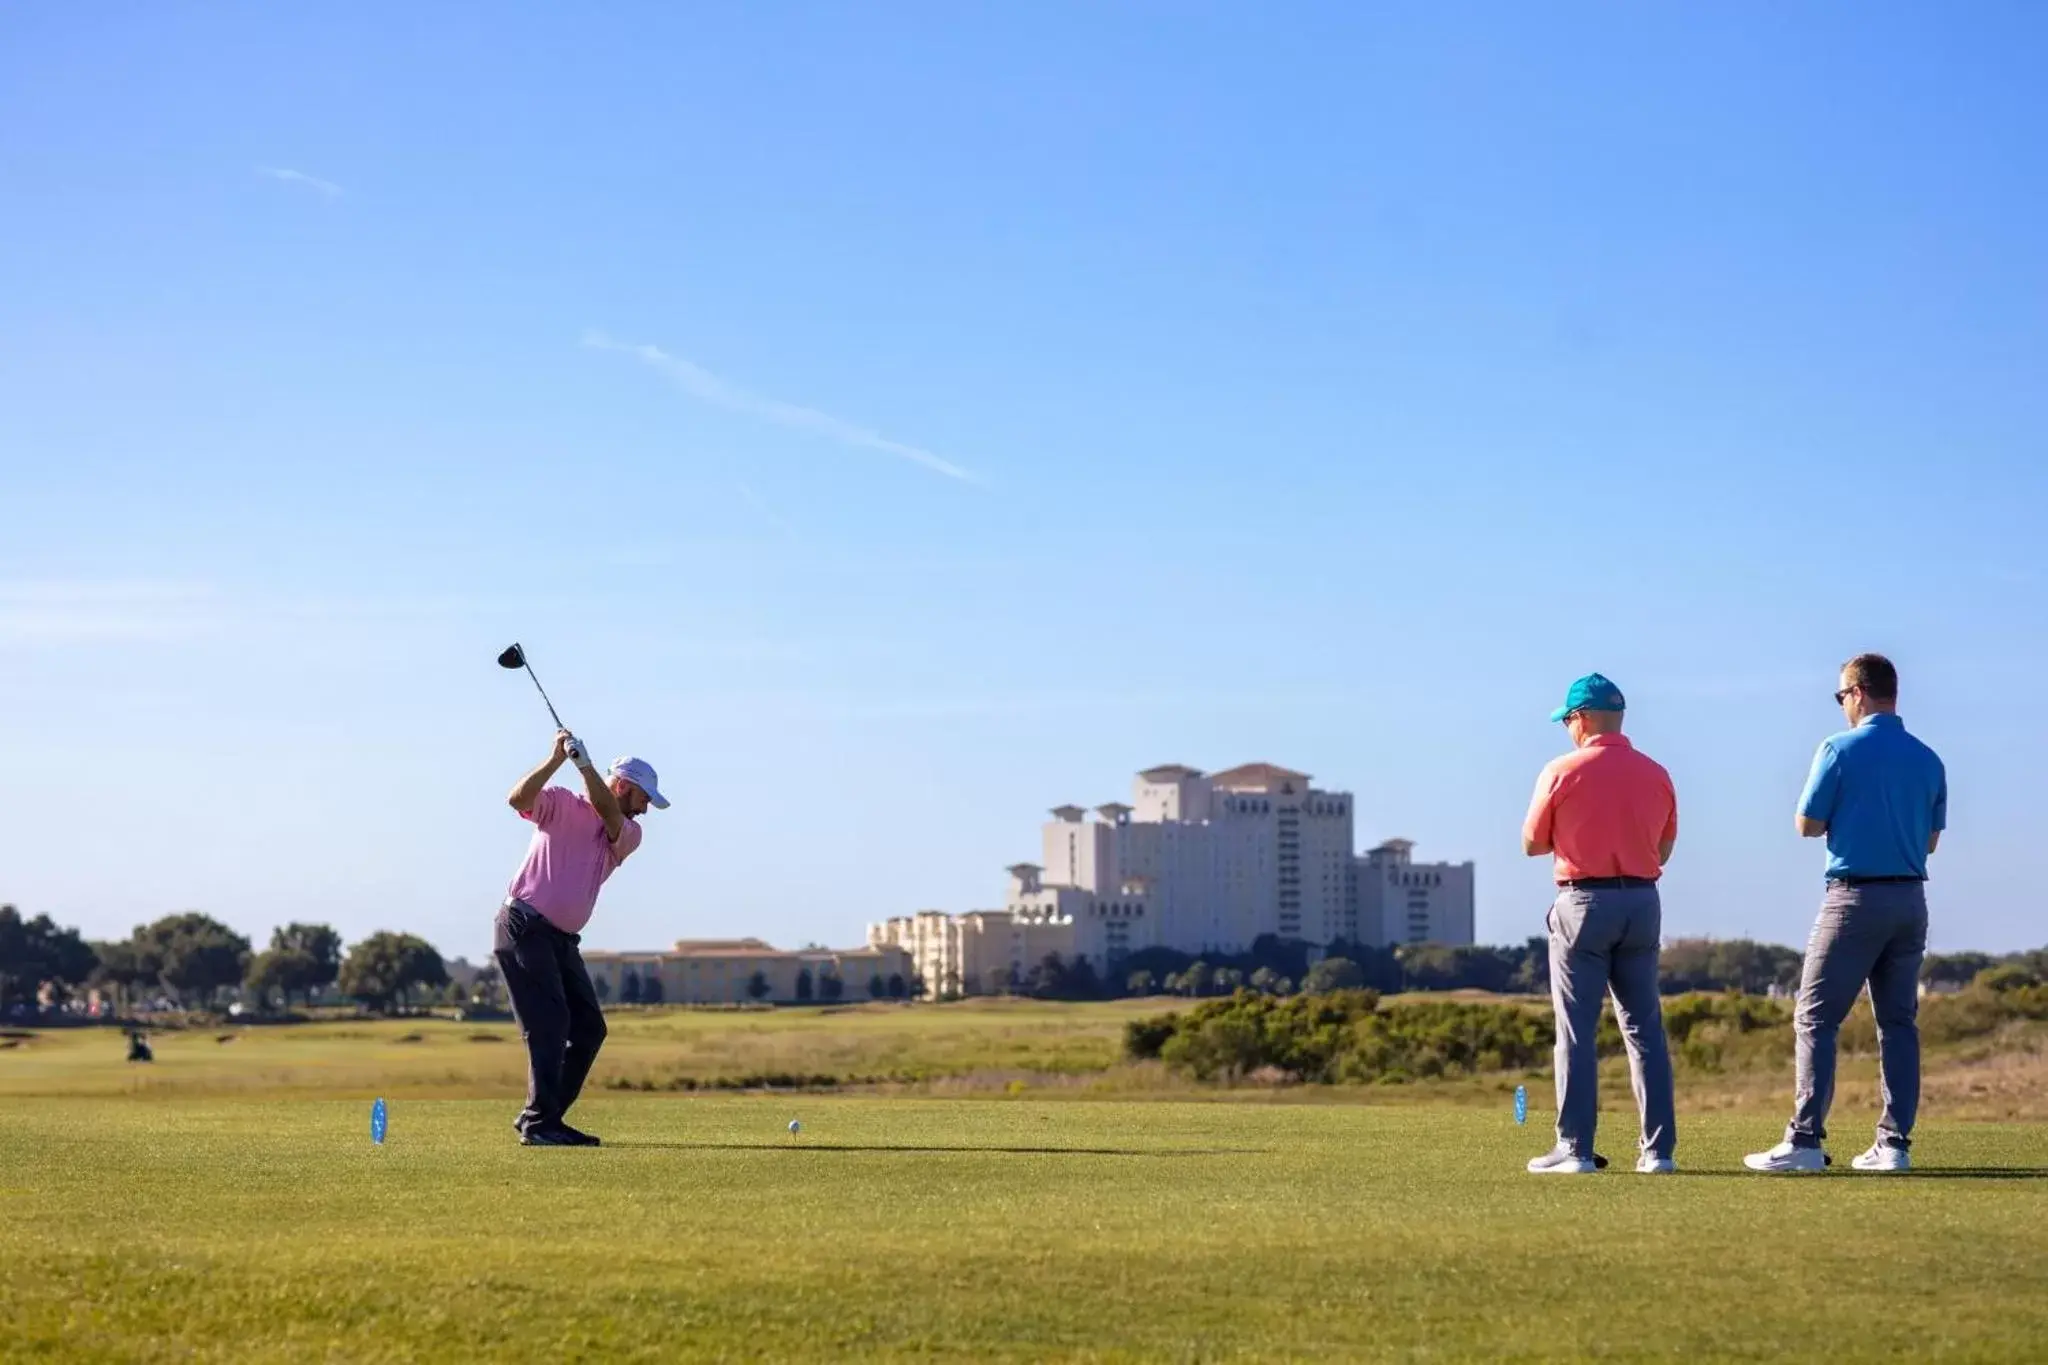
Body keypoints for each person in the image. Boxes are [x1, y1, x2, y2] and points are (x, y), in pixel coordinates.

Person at [1746, 654, 1945, 1175]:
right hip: (1910, 900)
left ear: (1857, 693)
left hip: (1855, 898)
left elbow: (1807, 823)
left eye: (1841, 697)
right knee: (1898, 1023)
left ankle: (1805, 1139)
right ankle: (1894, 1143)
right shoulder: (1929, 759)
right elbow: (1930, 841)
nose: (1841, 706)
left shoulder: (1838, 749)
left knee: (1814, 1016)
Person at [1521, 673, 1680, 1175]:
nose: (1567, 729)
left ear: (1582, 718)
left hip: (1582, 903)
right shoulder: (1656, 772)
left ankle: (1575, 1149)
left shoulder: (1561, 770)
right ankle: (1658, 1153)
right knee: (1644, 1031)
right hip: (1642, 901)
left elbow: (1532, 842)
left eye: (1567, 720)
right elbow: (1664, 848)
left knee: (1576, 1033)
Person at [497, 729, 668, 1147]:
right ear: (625, 786)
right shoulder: (559, 802)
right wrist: (558, 758)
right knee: (551, 1023)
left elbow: (608, 812)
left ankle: (543, 1118)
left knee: (589, 1028)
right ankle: (541, 1125)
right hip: (524, 926)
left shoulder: (626, 832)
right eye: (644, 798)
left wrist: (585, 765)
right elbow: (517, 800)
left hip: (560, 940)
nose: (646, 809)